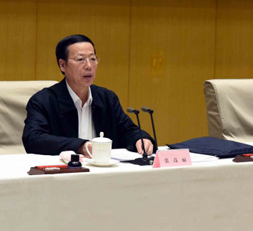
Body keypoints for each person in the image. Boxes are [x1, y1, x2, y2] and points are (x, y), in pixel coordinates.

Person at [22, 34, 154, 157]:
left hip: (105, 170)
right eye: (80, 59)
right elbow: (33, 139)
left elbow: (127, 130)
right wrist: (80, 146)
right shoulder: (43, 101)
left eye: (93, 59)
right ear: (63, 65)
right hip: (65, 171)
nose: (89, 66)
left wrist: (140, 139)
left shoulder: (107, 98)